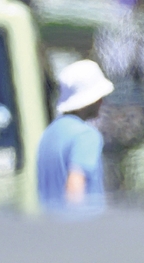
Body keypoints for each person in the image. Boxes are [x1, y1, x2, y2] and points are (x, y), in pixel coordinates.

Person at [36, 60, 114, 212]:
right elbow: (75, 187)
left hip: (48, 229)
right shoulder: (86, 135)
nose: (102, 101)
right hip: (81, 230)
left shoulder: (48, 134)